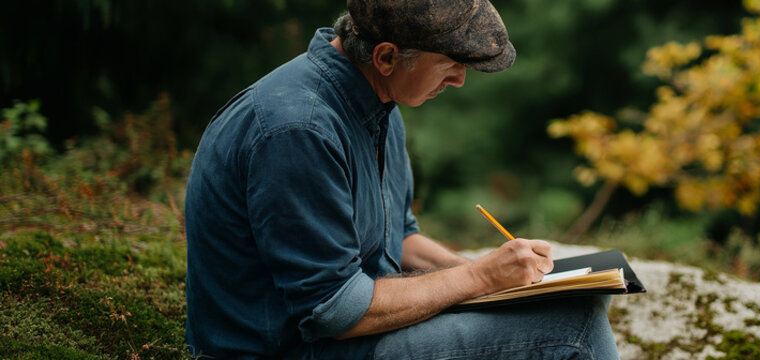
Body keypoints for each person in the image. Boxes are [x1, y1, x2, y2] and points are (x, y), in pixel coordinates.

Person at [183, 0, 620, 358]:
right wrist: (481, 279)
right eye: (451, 62)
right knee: (574, 328)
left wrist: (504, 284)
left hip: (344, 331)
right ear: (387, 56)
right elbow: (334, 311)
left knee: (575, 300)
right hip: (285, 349)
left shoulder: (378, 103)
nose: (461, 79)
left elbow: (400, 239)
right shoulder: (300, 130)